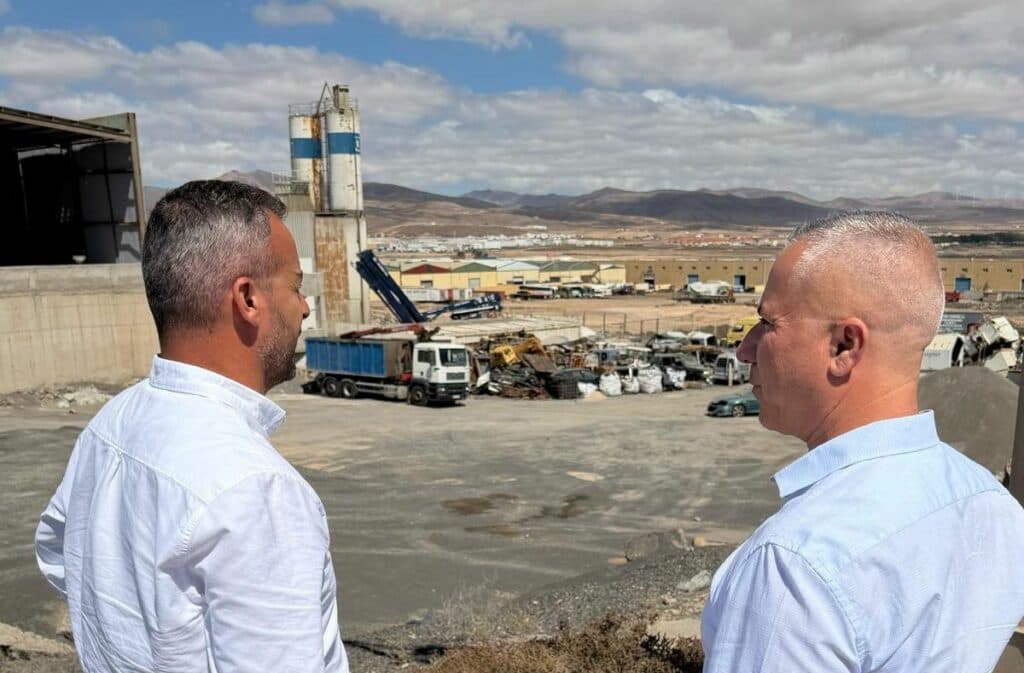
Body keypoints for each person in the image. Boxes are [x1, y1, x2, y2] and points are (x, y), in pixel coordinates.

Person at [35, 180, 349, 672]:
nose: (305, 307)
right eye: (296, 286)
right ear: (247, 299)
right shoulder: (256, 490)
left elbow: (59, 554)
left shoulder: (111, 423)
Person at [701, 211, 1024, 672]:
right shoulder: (994, 506)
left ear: (844, 347)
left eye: (767, 324)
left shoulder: (796, 567)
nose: (744, 348)